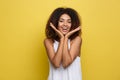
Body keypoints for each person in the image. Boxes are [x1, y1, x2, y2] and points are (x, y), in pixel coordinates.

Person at [44, 7, 82, 80]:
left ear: (73, 24)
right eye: (61, 21)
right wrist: (62, 39)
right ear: (55, 23)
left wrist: (66, 37)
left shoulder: (76, 40)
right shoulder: (48, 41)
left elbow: (66, 63)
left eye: (69, 22)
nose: (65, 24)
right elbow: (56, 64)